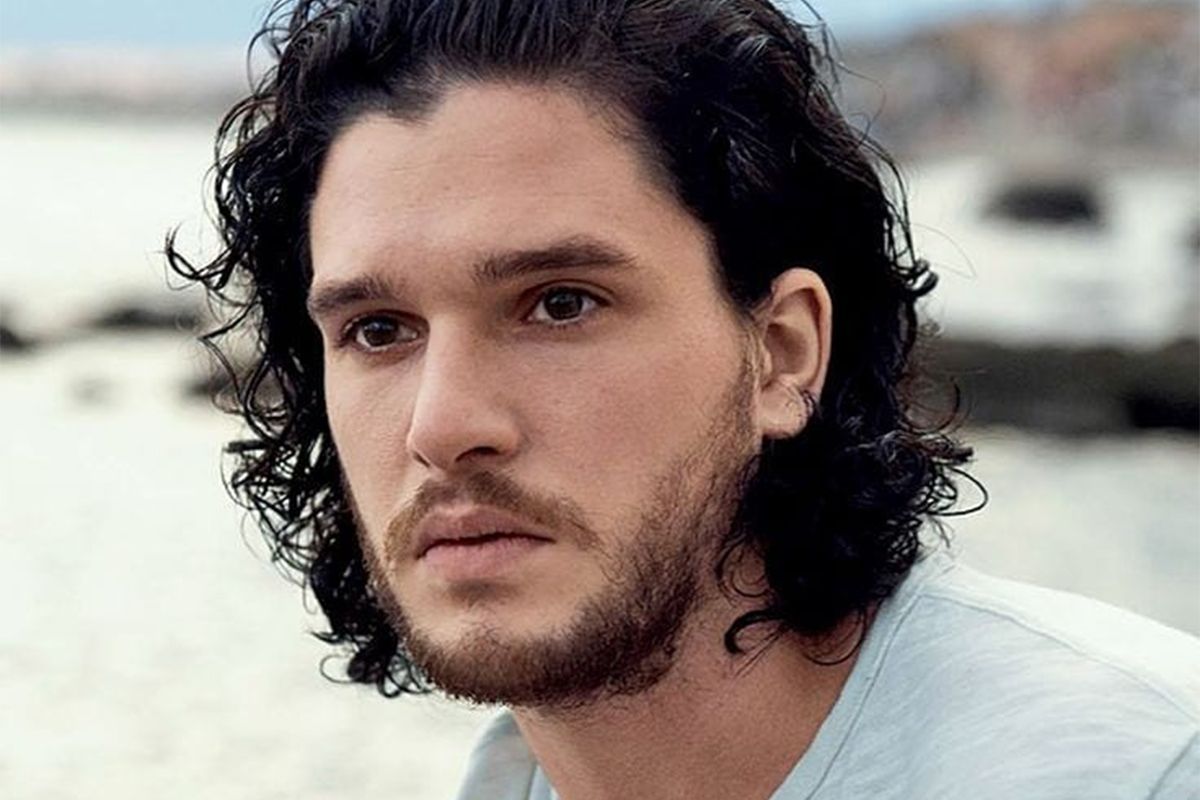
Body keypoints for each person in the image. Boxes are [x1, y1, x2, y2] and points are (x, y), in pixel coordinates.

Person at [168, 1, 1200, 797]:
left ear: (781, 353)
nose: (443, 426)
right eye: (378, 330)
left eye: (560, 304)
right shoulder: (509, 779)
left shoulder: (1139, 766)